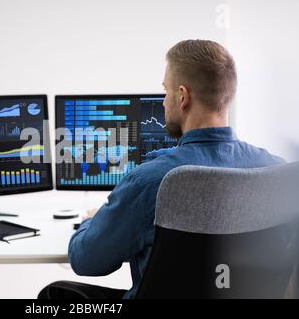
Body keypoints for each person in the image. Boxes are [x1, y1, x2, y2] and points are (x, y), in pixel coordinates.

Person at [38, 39, 285, 299]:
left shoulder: (152, 181)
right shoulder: (276, 173)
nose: (164, 102)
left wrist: (91, 221)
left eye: (165, 91)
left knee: (53, 297)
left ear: (182, 96)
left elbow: (86, 260)